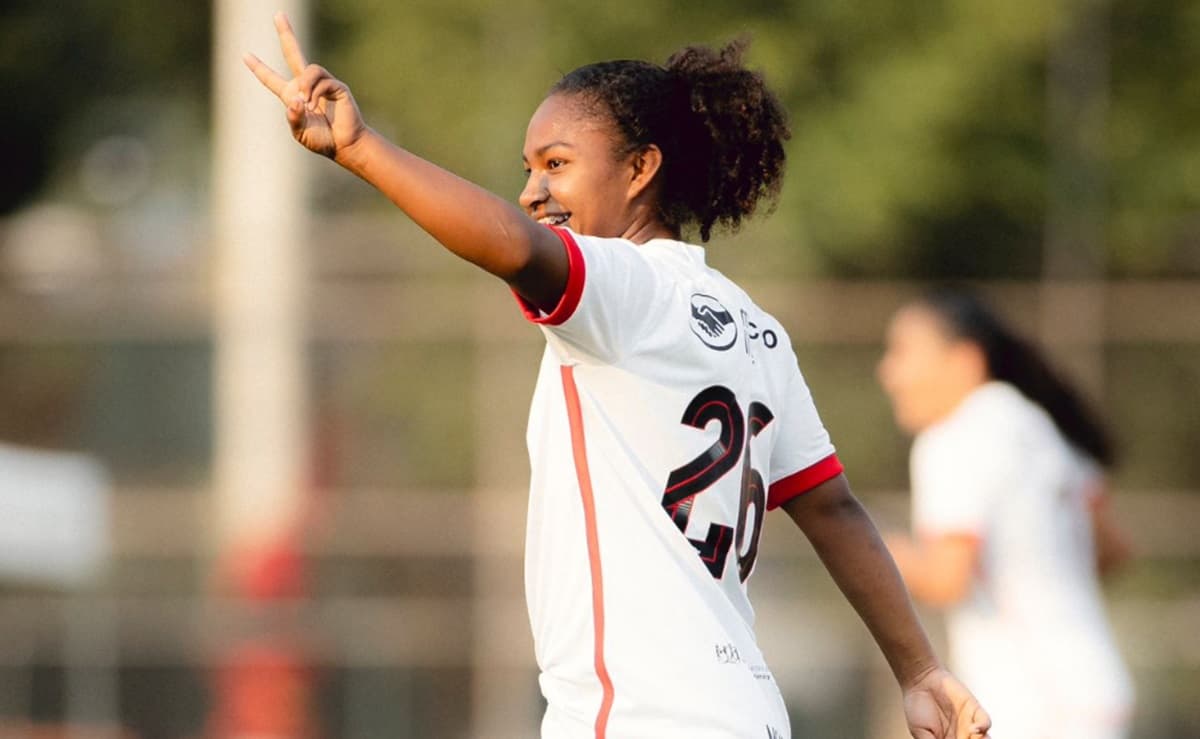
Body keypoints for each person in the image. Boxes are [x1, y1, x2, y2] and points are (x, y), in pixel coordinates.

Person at [246, 13, 990, 738]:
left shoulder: (624, 288)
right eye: (529, 168)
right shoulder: (757, 327)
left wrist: (364, 150)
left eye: (557, 163)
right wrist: (920, 668)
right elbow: (834, 510)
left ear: (640, 169)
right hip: (747, 711)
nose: (533, 190)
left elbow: (513, 246)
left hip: (641, 713)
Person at [878, 287, 1135, 739]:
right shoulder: (1037, 424)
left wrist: (880, 551)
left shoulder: (955, 436)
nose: (888, 374)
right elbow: (1113, 550)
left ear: (963, 361)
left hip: (1029, 703)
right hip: (1093, 685)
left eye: (902, 353)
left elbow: (945, 578)